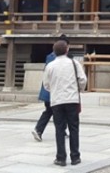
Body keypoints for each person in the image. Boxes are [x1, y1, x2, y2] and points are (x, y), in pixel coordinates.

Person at [42, 39, 86, 167]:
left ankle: (61, 157)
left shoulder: (50, 66)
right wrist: (79, 89)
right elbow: (82, 79)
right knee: (74, 128)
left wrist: (54, 90)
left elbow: (46, 84)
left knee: (59, 129)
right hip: (72, 98)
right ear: (67, 50)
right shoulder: (74, 63)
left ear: (54, 52)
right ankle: (75, 156)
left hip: (57, 100)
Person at [33, 35, 70, 142]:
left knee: (50, 111)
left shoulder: (49, 56)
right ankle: (39, 130)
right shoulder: (59, 59)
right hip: (54, 90)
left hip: (47, 89)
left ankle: (61, 131)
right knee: (58, 111)